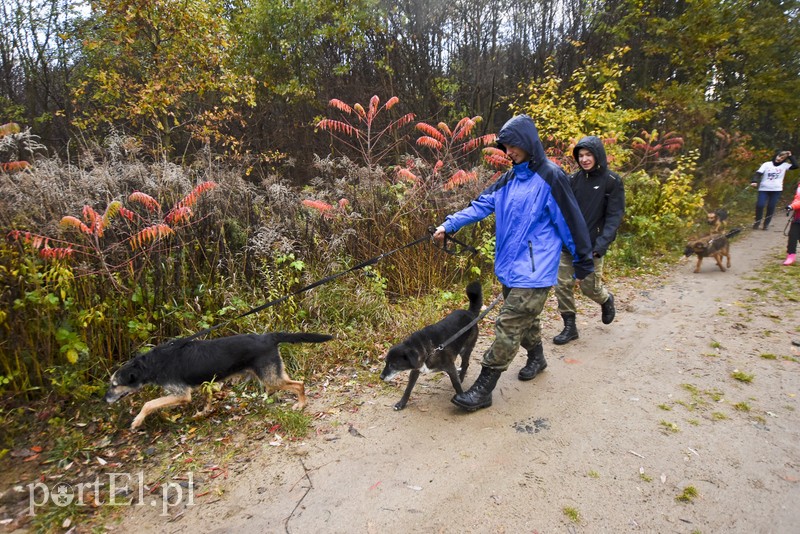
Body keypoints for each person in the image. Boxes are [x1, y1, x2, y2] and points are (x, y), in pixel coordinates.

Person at [432, 114, 594, 412]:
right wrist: (449, 225)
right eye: (505, 147)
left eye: (512, 146)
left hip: (536, 270)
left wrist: (583, 262)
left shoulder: (551, 177)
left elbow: (571, 222)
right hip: (509, 269)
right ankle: (537, 358)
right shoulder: (508, 179)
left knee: (508, 324)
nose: (508, 152)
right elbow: (480, 205)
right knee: (525, 320)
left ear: (528, 142)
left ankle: (484, 388)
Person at [552, 136, 625, 345]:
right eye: (581, 155)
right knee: (562, 285)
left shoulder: (612, 181)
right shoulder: (572, 180)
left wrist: (601, 245)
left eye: (588, 155)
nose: (584, 159)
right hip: (568, 245)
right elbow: (561, 210)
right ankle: (570, 327)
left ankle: (605, 299)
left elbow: (614, 217)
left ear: (598, 155)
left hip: (593, 246)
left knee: (589, 288)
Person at [751, 150, 798, 230]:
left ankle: (766, 224)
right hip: (764, 189)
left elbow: (795, 166)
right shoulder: (767, 164)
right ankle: (757, 222)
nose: (779, 159)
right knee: (760, 205)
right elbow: (758, 173)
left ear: (784, 160)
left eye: (782, 158)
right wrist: (754, 181)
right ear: (776, 155)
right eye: (779, 156)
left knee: (771, 207)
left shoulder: (784, 165)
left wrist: (790, 156)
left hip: (776, 190)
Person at [783, 180, 800, 265]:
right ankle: (790, 255)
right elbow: (797, 198)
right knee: (792, 236)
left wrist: (792, 206)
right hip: (797, 218)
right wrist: (791, 205)